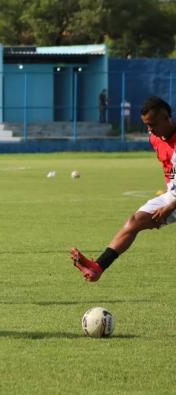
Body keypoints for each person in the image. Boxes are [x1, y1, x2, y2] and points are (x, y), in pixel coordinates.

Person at [72, 96, 176, 282]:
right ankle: (99, 267)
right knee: (135, 220)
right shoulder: (155, 138)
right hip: (172, 195)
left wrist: (170, 206)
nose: (150, 129)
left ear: (166, 117)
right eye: (146, 125)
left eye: (152, 124)